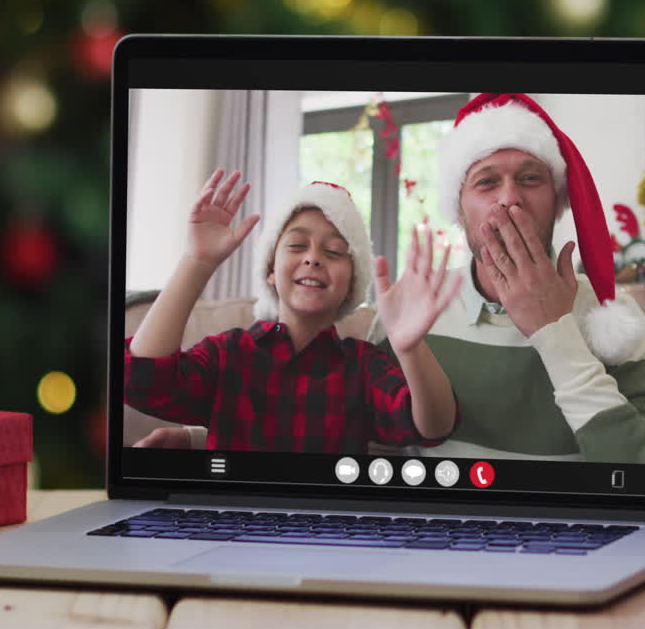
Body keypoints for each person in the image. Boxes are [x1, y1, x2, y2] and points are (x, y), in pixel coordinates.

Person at [367, 93, 645, 464]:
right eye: (486, 182)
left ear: (558, 201)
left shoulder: (614, 317)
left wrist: (556, 334)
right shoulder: (409, 309)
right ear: (458, 210)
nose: (509, 198)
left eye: (530, 178)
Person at [125, 170, 464, 453]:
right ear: (271, 271)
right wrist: (197, 262)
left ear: (351, 285)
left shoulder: (362, 364)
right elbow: (144, 381)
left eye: (334, 251)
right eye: (297, 245)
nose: (313, 257)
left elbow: (432, 427)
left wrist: (410, 346)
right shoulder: (229, 353)